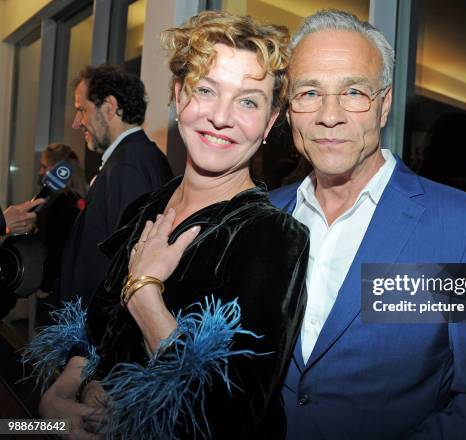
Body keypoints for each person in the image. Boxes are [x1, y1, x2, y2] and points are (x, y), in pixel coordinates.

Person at [24, 11, 308, 440]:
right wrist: (56, 397)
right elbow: (100, 328)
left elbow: (228, 416)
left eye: (249, 100)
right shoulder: (147, 205)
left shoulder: (272, 236)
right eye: (206, 90)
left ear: (270, 122)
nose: (221, 116)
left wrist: (145, 292)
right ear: (178, 95)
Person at [269, 9, 466, 439]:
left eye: (354, 92)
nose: (329, 115)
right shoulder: (263, 214)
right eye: (310, 92)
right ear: (290, 109)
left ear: (384, 105)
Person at [58, 65, 173, 305]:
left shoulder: (127, 167)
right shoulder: (137, 157)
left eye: (82, 110)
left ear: (109, 107)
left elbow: (125, 267)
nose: (77, 123)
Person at [35, 143, 88, 323]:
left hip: (55, 289)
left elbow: (55, 246)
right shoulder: (74, 199)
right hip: (67, 285)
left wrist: (45, 285)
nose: (40, 172)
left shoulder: (61, 203)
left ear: (60, 170)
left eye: (44, 166)